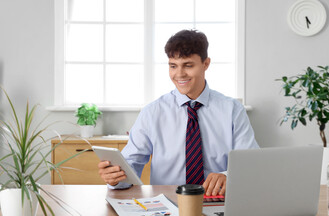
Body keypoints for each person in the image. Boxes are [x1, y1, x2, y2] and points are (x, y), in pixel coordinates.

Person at [98, 29, 259, 196]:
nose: (179, 74)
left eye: (188, 65)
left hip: (218, 200)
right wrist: (116, 177)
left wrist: (227, 176)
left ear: (206, 64)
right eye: (173, 66)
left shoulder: (232, 110)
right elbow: (131, 163)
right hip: (166, 203)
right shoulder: (152, 112)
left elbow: (250, 163)